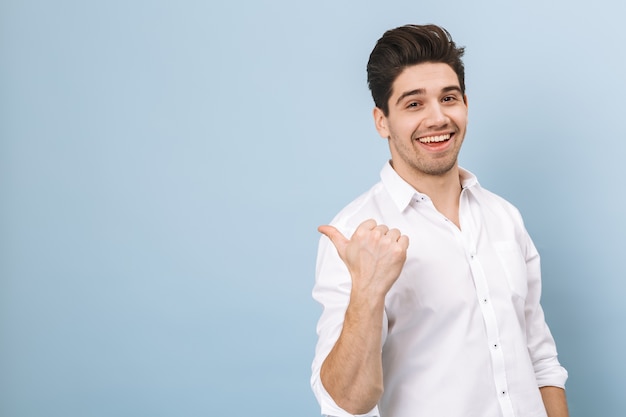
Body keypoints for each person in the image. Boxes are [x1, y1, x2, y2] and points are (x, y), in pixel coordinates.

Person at [311, 24, 569, 417]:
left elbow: (541, 359)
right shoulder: (354, 234)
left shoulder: (504, 217)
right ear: (382, 121)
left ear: (465, 104)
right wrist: (368, 290)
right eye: (414, 104)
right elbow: (347, 403)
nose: (437, 118)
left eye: (448, 98)